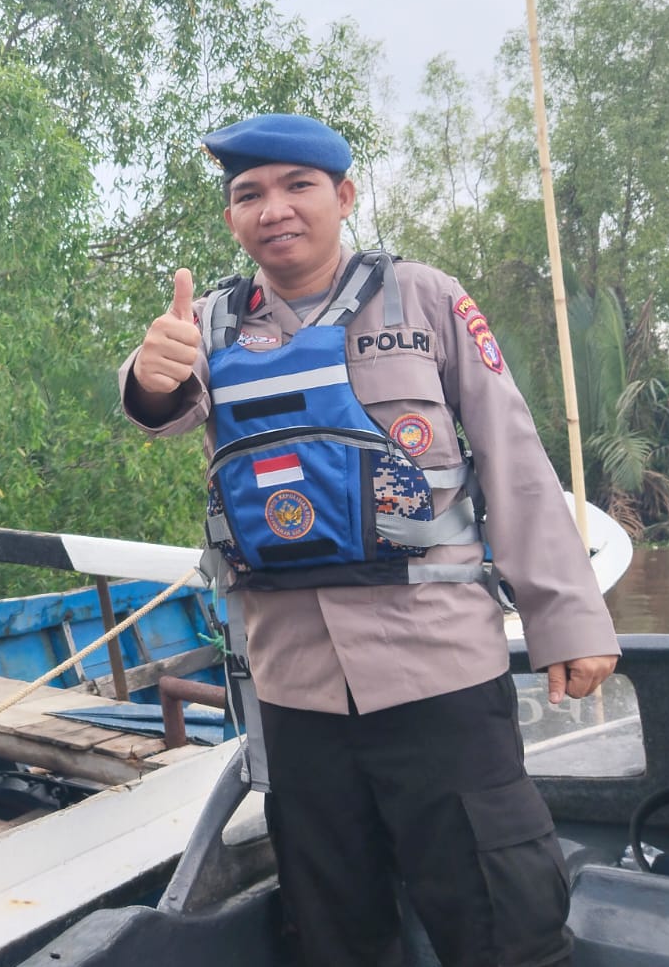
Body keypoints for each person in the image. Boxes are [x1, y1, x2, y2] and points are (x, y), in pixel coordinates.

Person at [120, 113, 621, 967]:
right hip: (294, 689)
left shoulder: (425, 298)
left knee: (501, 913)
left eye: (296, 186)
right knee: (333, 928)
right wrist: (146, 375)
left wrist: (566, 620)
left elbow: (513, 459)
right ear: (231, 218)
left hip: (439, 672)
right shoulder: (206, 323)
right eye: (248, 194)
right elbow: (161, 407)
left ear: (343, 196)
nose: (272, 208)